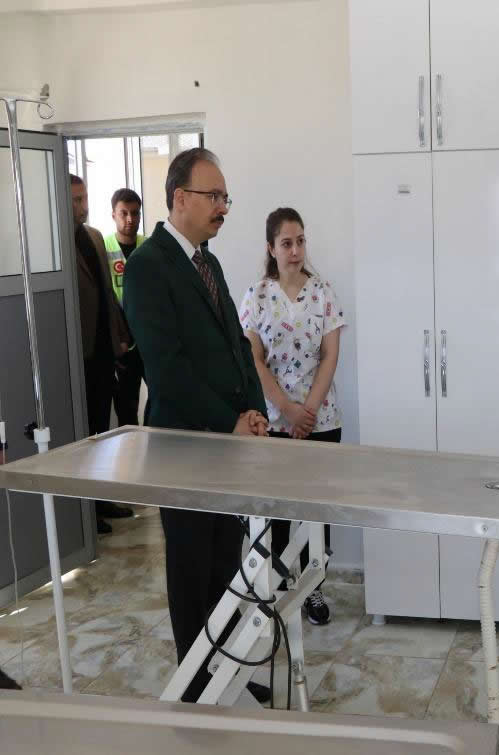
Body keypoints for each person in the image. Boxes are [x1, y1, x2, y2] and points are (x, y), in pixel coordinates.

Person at [123, 148, 271, 704]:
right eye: (214, 196)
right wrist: (229, 421)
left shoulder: (208, 262)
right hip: (182, 447)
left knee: (223, 569)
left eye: (226, 197)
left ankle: (225, 677)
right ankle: (195, 692)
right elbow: (168, 370)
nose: (223, 207)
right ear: (180, 198)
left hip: (225, 447)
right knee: (191, 573)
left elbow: (237, 343)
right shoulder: (148, 266)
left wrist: (253, 410)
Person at [239, 207, 345, 626]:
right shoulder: (257, 296)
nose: (296, 250)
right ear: (271, 248)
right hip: (273, 421)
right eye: (287, 243)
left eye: (300, 241)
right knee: (279, 511)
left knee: (317, 512)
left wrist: (308, 412)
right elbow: (253, 359)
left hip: (322, 420)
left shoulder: (323, 292)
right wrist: (286, 409)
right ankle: (282, 587)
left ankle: (314, 589)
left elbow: (330, 355)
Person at [70, 174, 133, 534]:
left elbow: (108, 294)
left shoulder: (94, 237)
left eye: (83, 198)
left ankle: (101, 499)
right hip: (77, 354)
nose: (82, 206)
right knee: (79, 436)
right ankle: (84, 512)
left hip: (103, 353)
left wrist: (118, 336)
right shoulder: (55, 242)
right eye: (75, 200)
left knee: (100, 431)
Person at [104, 188, 145, 427]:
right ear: (113, 215)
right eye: (124, 213)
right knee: (127, 406)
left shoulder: (148, 245)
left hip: (147, 335)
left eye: (135, 213)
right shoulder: (104, 246)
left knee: (163, 395)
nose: (130, 219)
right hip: (122, 339)